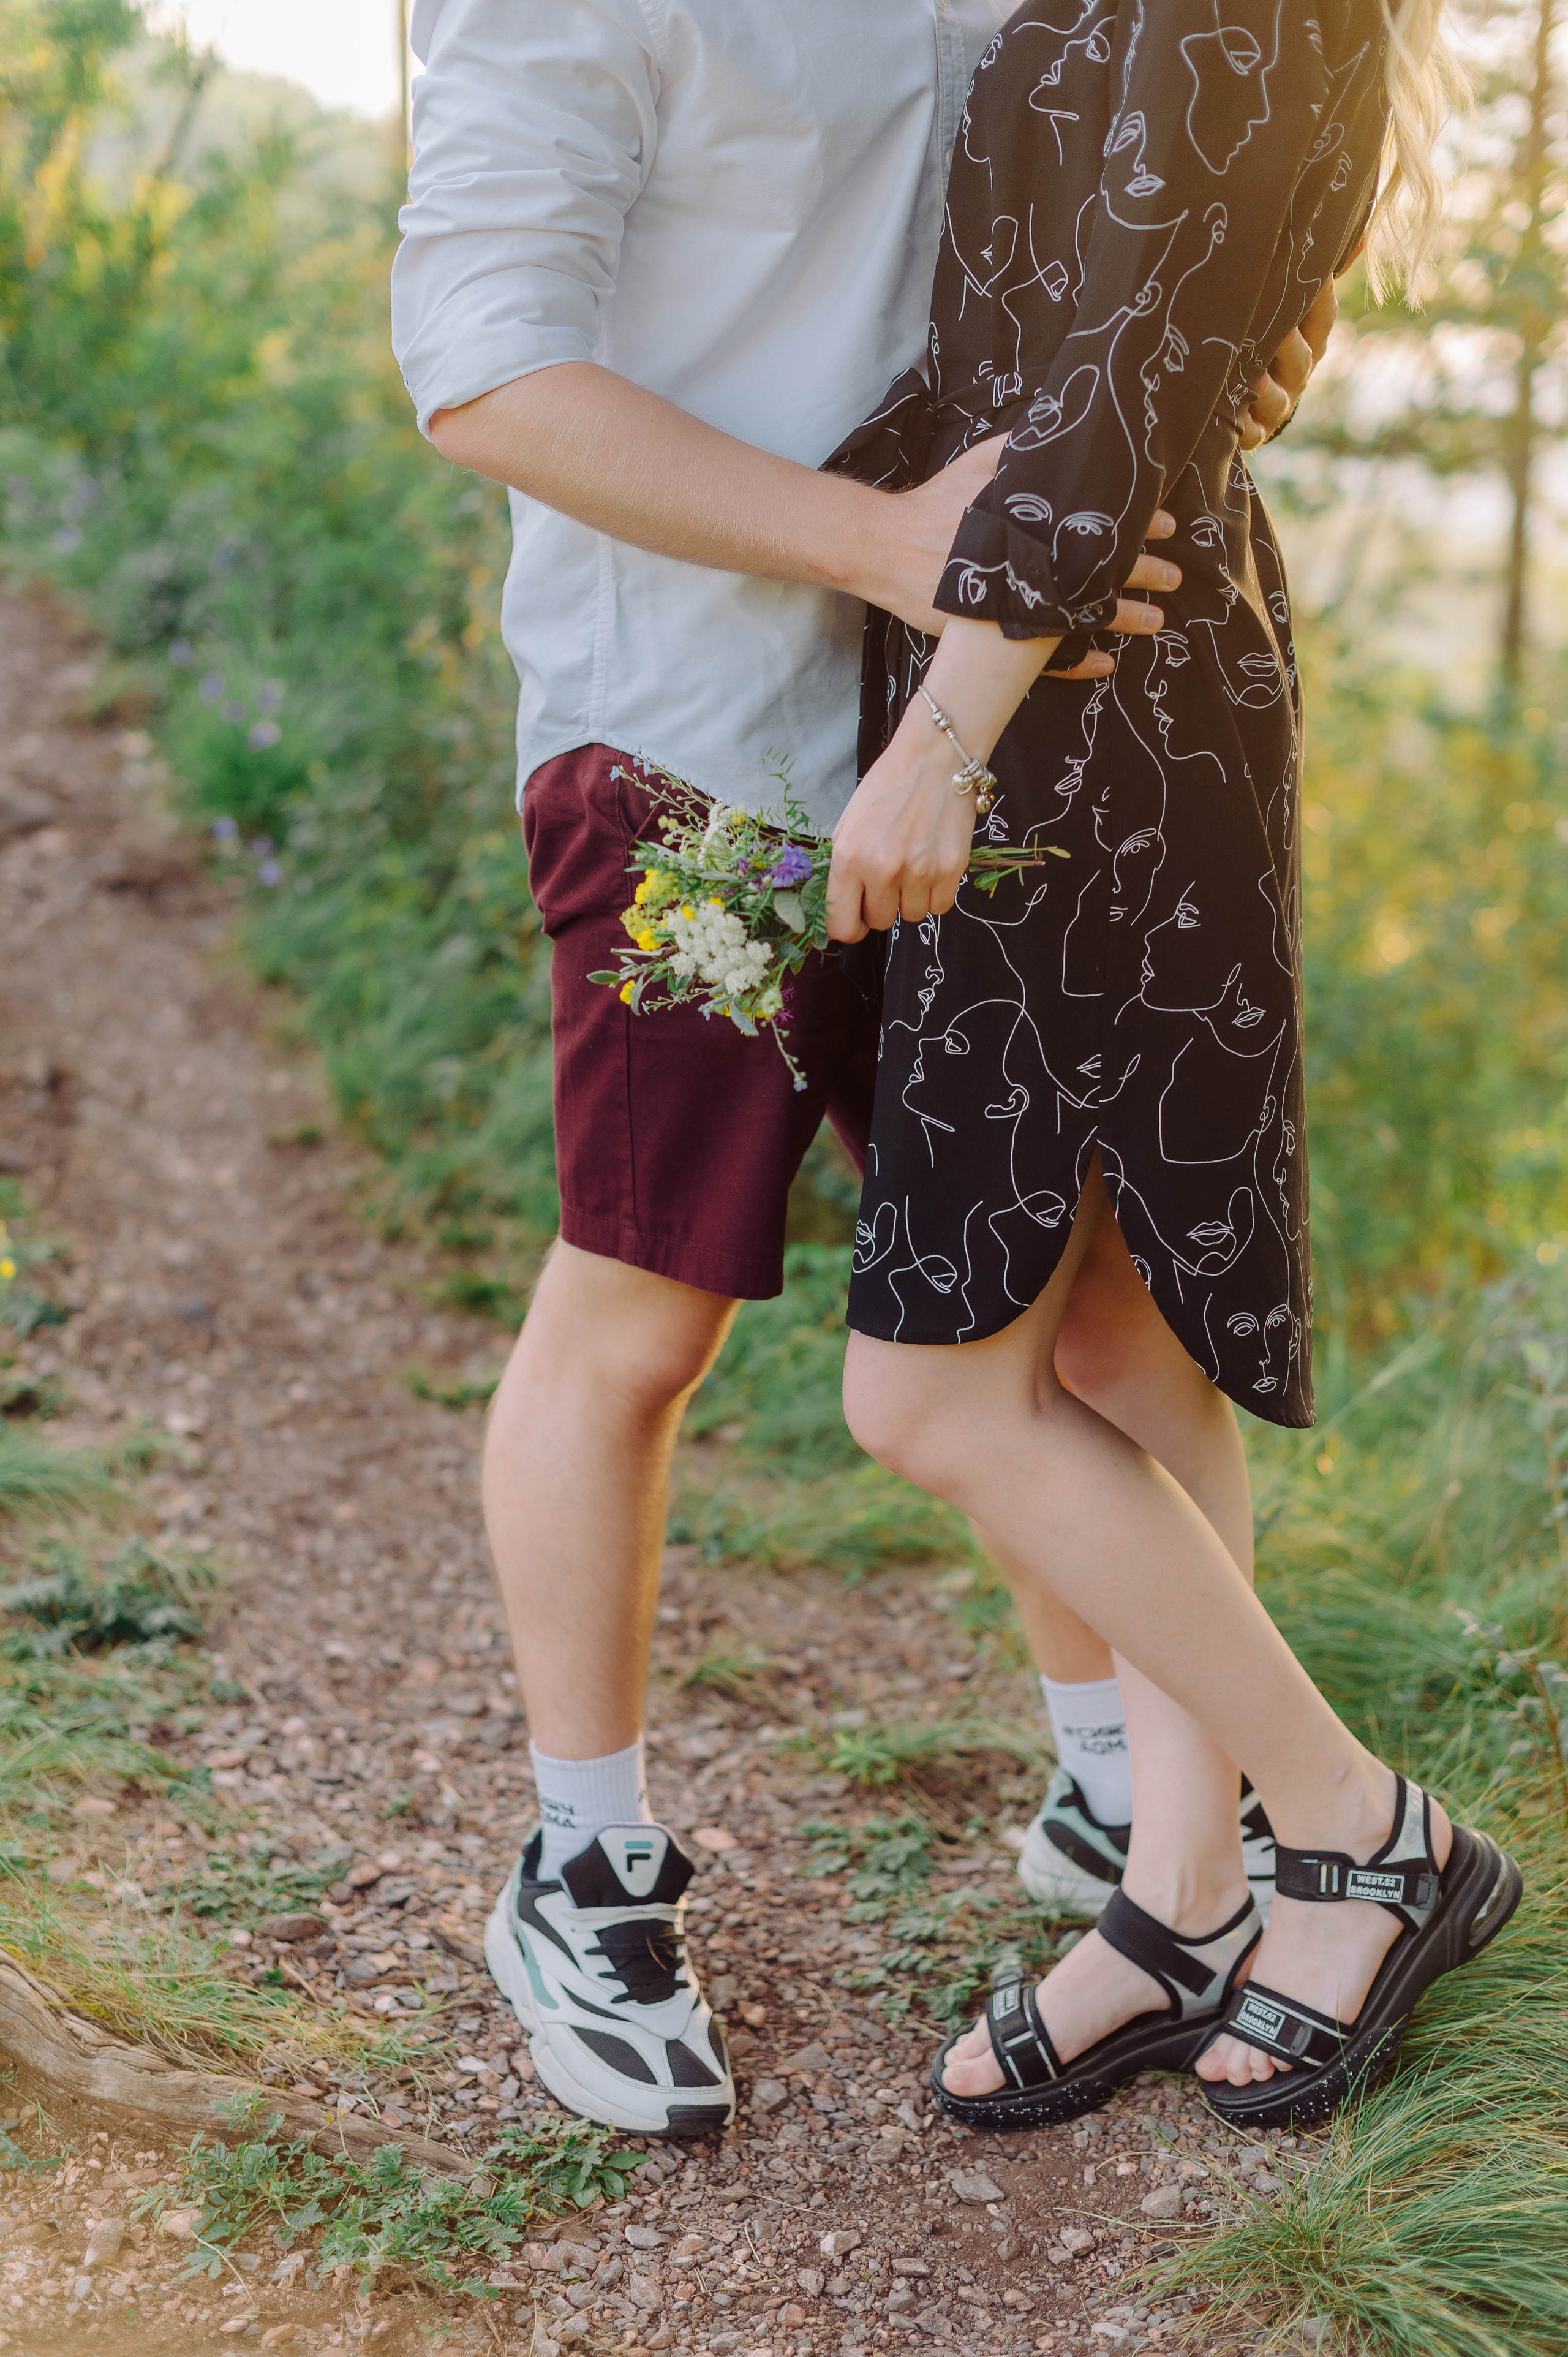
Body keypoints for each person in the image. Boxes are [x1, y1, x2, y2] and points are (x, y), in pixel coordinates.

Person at [391, 0, 1329, 2138]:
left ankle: (1129, 1820)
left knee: (1071, 1307)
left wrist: (1239, 355)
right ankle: (584, 1863)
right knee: (649, 1306)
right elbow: (483, 369)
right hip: (694, 752)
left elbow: (1128, 222)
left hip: (989, 733)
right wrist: (882, 539)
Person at [827, 0, 1522, 2135]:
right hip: (1107, 661)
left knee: (929, 1388)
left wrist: (945, 735)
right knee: (1123, 1346)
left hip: (1078, 705)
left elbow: (1114, 392)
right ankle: (1187, 1895)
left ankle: (1365, 1835)